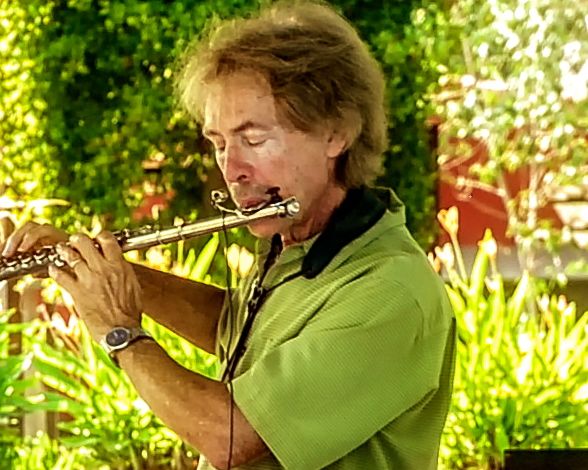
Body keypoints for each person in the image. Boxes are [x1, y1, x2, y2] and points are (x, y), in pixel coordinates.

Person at [0, 1, 456, 469]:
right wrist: (98, 269)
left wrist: (118, 330)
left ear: (335, 134)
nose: (232, 169)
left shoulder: (389, 292)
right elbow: (240, 328)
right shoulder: (302, 245)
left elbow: (233, 437)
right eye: (219, 143)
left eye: (253, 140)